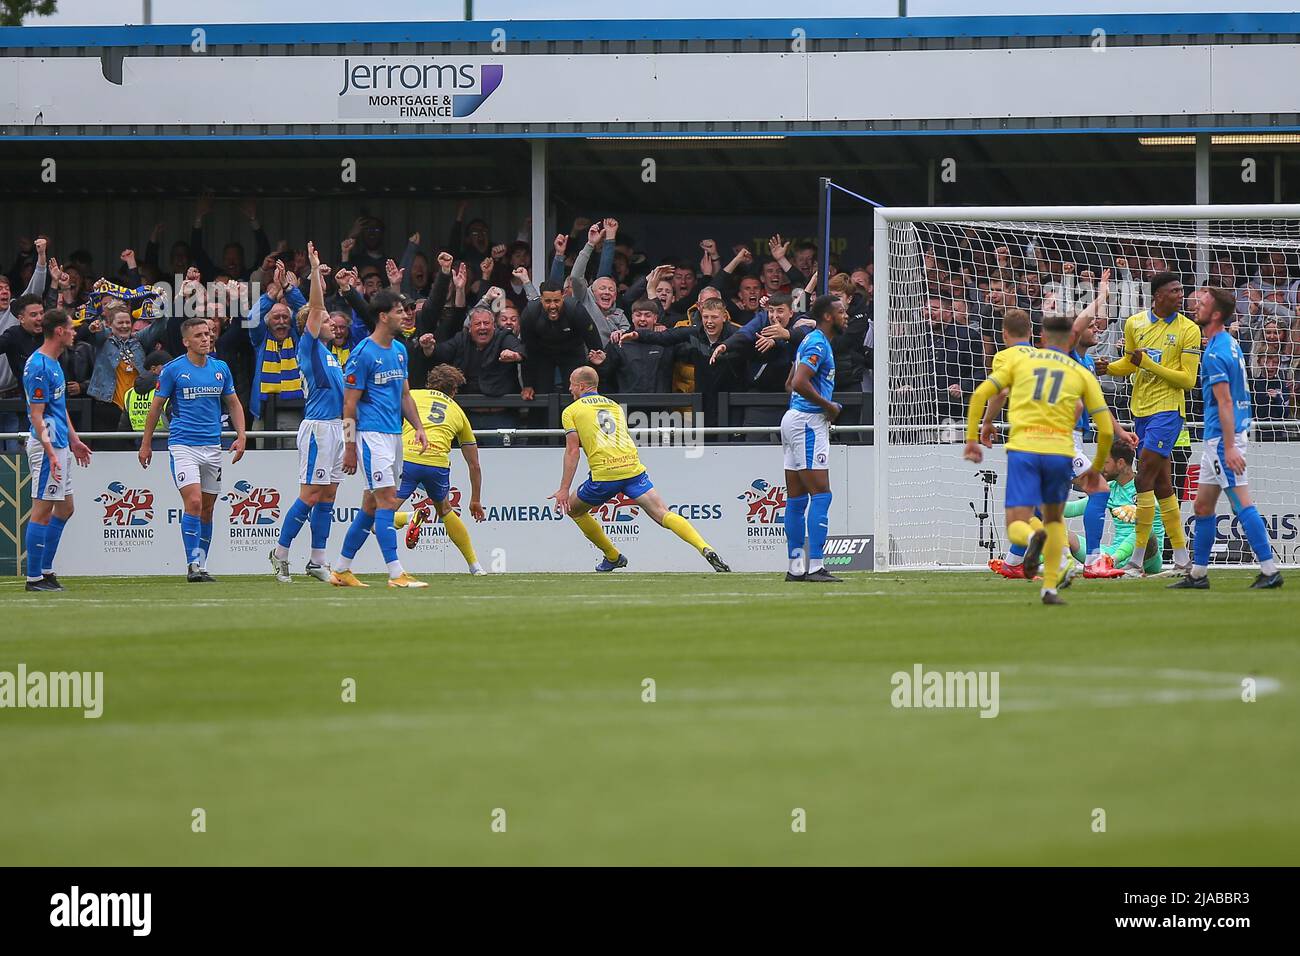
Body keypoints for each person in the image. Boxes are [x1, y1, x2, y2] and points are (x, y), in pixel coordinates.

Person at [965, 313, 1115, 606]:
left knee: (1018, 523)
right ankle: (1049, 589)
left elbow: (981, 394)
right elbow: (1105, 428)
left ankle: (1036, 536)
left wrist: (974, 436)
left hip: (1024, 449)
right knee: (1055, 519)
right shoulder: (1080, 372)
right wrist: (1096, 468)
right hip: (1060, 451)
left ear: (1043, 338)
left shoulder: (1021, 363)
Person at [550, 366, 730, 573]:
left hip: (606, 474)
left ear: (581, 386)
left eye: (571, 384)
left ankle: (612, 556)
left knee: (575, 510)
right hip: (633, 468)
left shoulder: (571, 411)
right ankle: (705, 547)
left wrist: (564, 489)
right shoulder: (615, 406)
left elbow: (573, 450)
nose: (569, 389)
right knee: (663, 513)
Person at [1171, 287, 1283, 590]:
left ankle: (1270, 569)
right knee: (1203, 508)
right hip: (1220, 438)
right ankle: (1198, 574)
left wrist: (1229, 446)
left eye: (1203, 304)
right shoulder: (1228, 344)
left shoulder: (1217, 353)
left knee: (1241, 502)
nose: (1196, 306)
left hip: (1223, 439)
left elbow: (1224, 402)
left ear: (1216, 314)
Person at [1094, 271, 1200, 578]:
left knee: (1143, 480)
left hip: (1169, 411)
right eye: (1175, 291)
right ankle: (1182, 559)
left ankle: (1137, 560)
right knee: (1163, 485)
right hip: (1141, 410)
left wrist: (1148, 364)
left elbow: (1188, 380)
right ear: (1157, 296)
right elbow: (1130, 362)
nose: (1181, 295)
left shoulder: (1188, 330)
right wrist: (1110, 368)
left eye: (1182, 290)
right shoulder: (1134, 323)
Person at [331, 290, 431, 589]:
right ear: (384, 316)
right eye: (400, 311)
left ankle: (341, 570)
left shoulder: (399, 349)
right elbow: (348, 405)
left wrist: (420, 427)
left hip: (393, 435)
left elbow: (404, 394)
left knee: (372, 506)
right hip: (369, 436)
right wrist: (350, 446)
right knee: (387, 500)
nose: (405, 315)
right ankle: (396, 573)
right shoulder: (362, 354)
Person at [139, 317, 247, 582]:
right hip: (183, 445)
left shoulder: (220, 368)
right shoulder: (173, 370)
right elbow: (156, 407)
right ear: (186, 341)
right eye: (199, 335)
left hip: (212, 446)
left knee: (208, 509)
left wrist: (241, 436)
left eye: (208, 334)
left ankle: (202, 563)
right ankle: (192, 566)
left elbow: (233, 403)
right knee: (195, 503)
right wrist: (146, 443)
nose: (206, 339)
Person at [270, 243, 343, 584]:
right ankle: (281, 552)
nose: (332, 323)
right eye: (327, 320)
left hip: (337, 429)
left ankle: (317, 560)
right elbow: (315, 308)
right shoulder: (309, 346)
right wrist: (314, 270)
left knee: (328, 496)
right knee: (310, 495)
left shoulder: (331, 355)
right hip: (317, 429)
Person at [391, 364, 487, 575]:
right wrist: (475, 500)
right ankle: (475, 566)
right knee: (444, 510)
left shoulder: (412, 395)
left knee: (377, 516)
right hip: (437, 464)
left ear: (429, 382)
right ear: (454, 391)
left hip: (408, 459)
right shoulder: (458, 412)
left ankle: (409, 518)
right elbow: (474, 464)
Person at [22, 309, 92, 592]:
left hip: (60, 442)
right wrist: (50, 452)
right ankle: (34, 577)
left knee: (66, 507)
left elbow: (59, 408)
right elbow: (36, 415)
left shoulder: (54, 362)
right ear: (59, 331)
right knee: (42, 509)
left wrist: (74, 440)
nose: (75, 332)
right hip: (46, 444)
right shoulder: (38, 365)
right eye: (71, 328)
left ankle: (46, 570)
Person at [780, 295, 849, 583]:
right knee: (821, 494)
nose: (846, 315)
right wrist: (828, 406)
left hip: (794, 419)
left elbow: (789, 384)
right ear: (828, 316)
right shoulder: (818, 343)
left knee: (796, 499)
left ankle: (796, 567)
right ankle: (816, 565)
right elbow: (798, 383)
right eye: (842, 311)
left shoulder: (809, 341)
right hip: (808, 423)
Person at [1064, 442, 1164, 575]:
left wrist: (1138, 511)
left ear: (1120, 463)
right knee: (1063, 534)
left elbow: (1158, 509)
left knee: (1145, 528)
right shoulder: (1108, 488)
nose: (1101, 467)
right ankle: (1030, 564)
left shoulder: (1144, 485)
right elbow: (1073, 509)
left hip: (1149, 557)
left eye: (1106, 463)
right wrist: (1039, 502)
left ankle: (1111, 562)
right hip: (1112, 552)